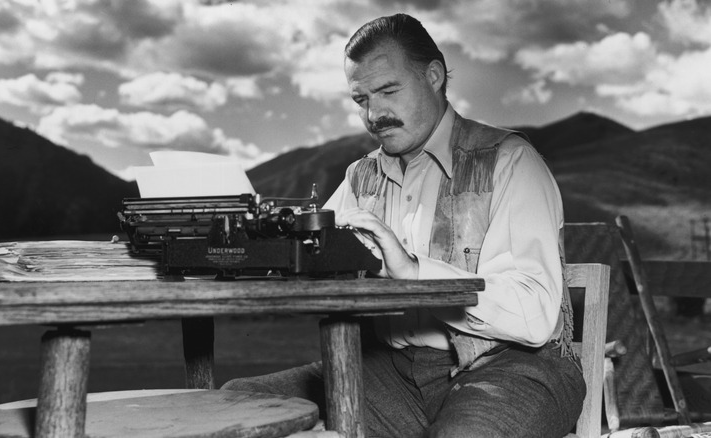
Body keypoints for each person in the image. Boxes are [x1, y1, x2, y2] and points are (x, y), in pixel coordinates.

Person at [222, 13, 585, 438]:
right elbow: (307, 255)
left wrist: (413, 272)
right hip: (392, 373)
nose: (375, 113)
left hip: (514, 370)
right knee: (237, 404)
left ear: (433, 76)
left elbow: (535, 317)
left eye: (388, 91)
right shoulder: (361, 176)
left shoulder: (510, 160)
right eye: (361, 100)